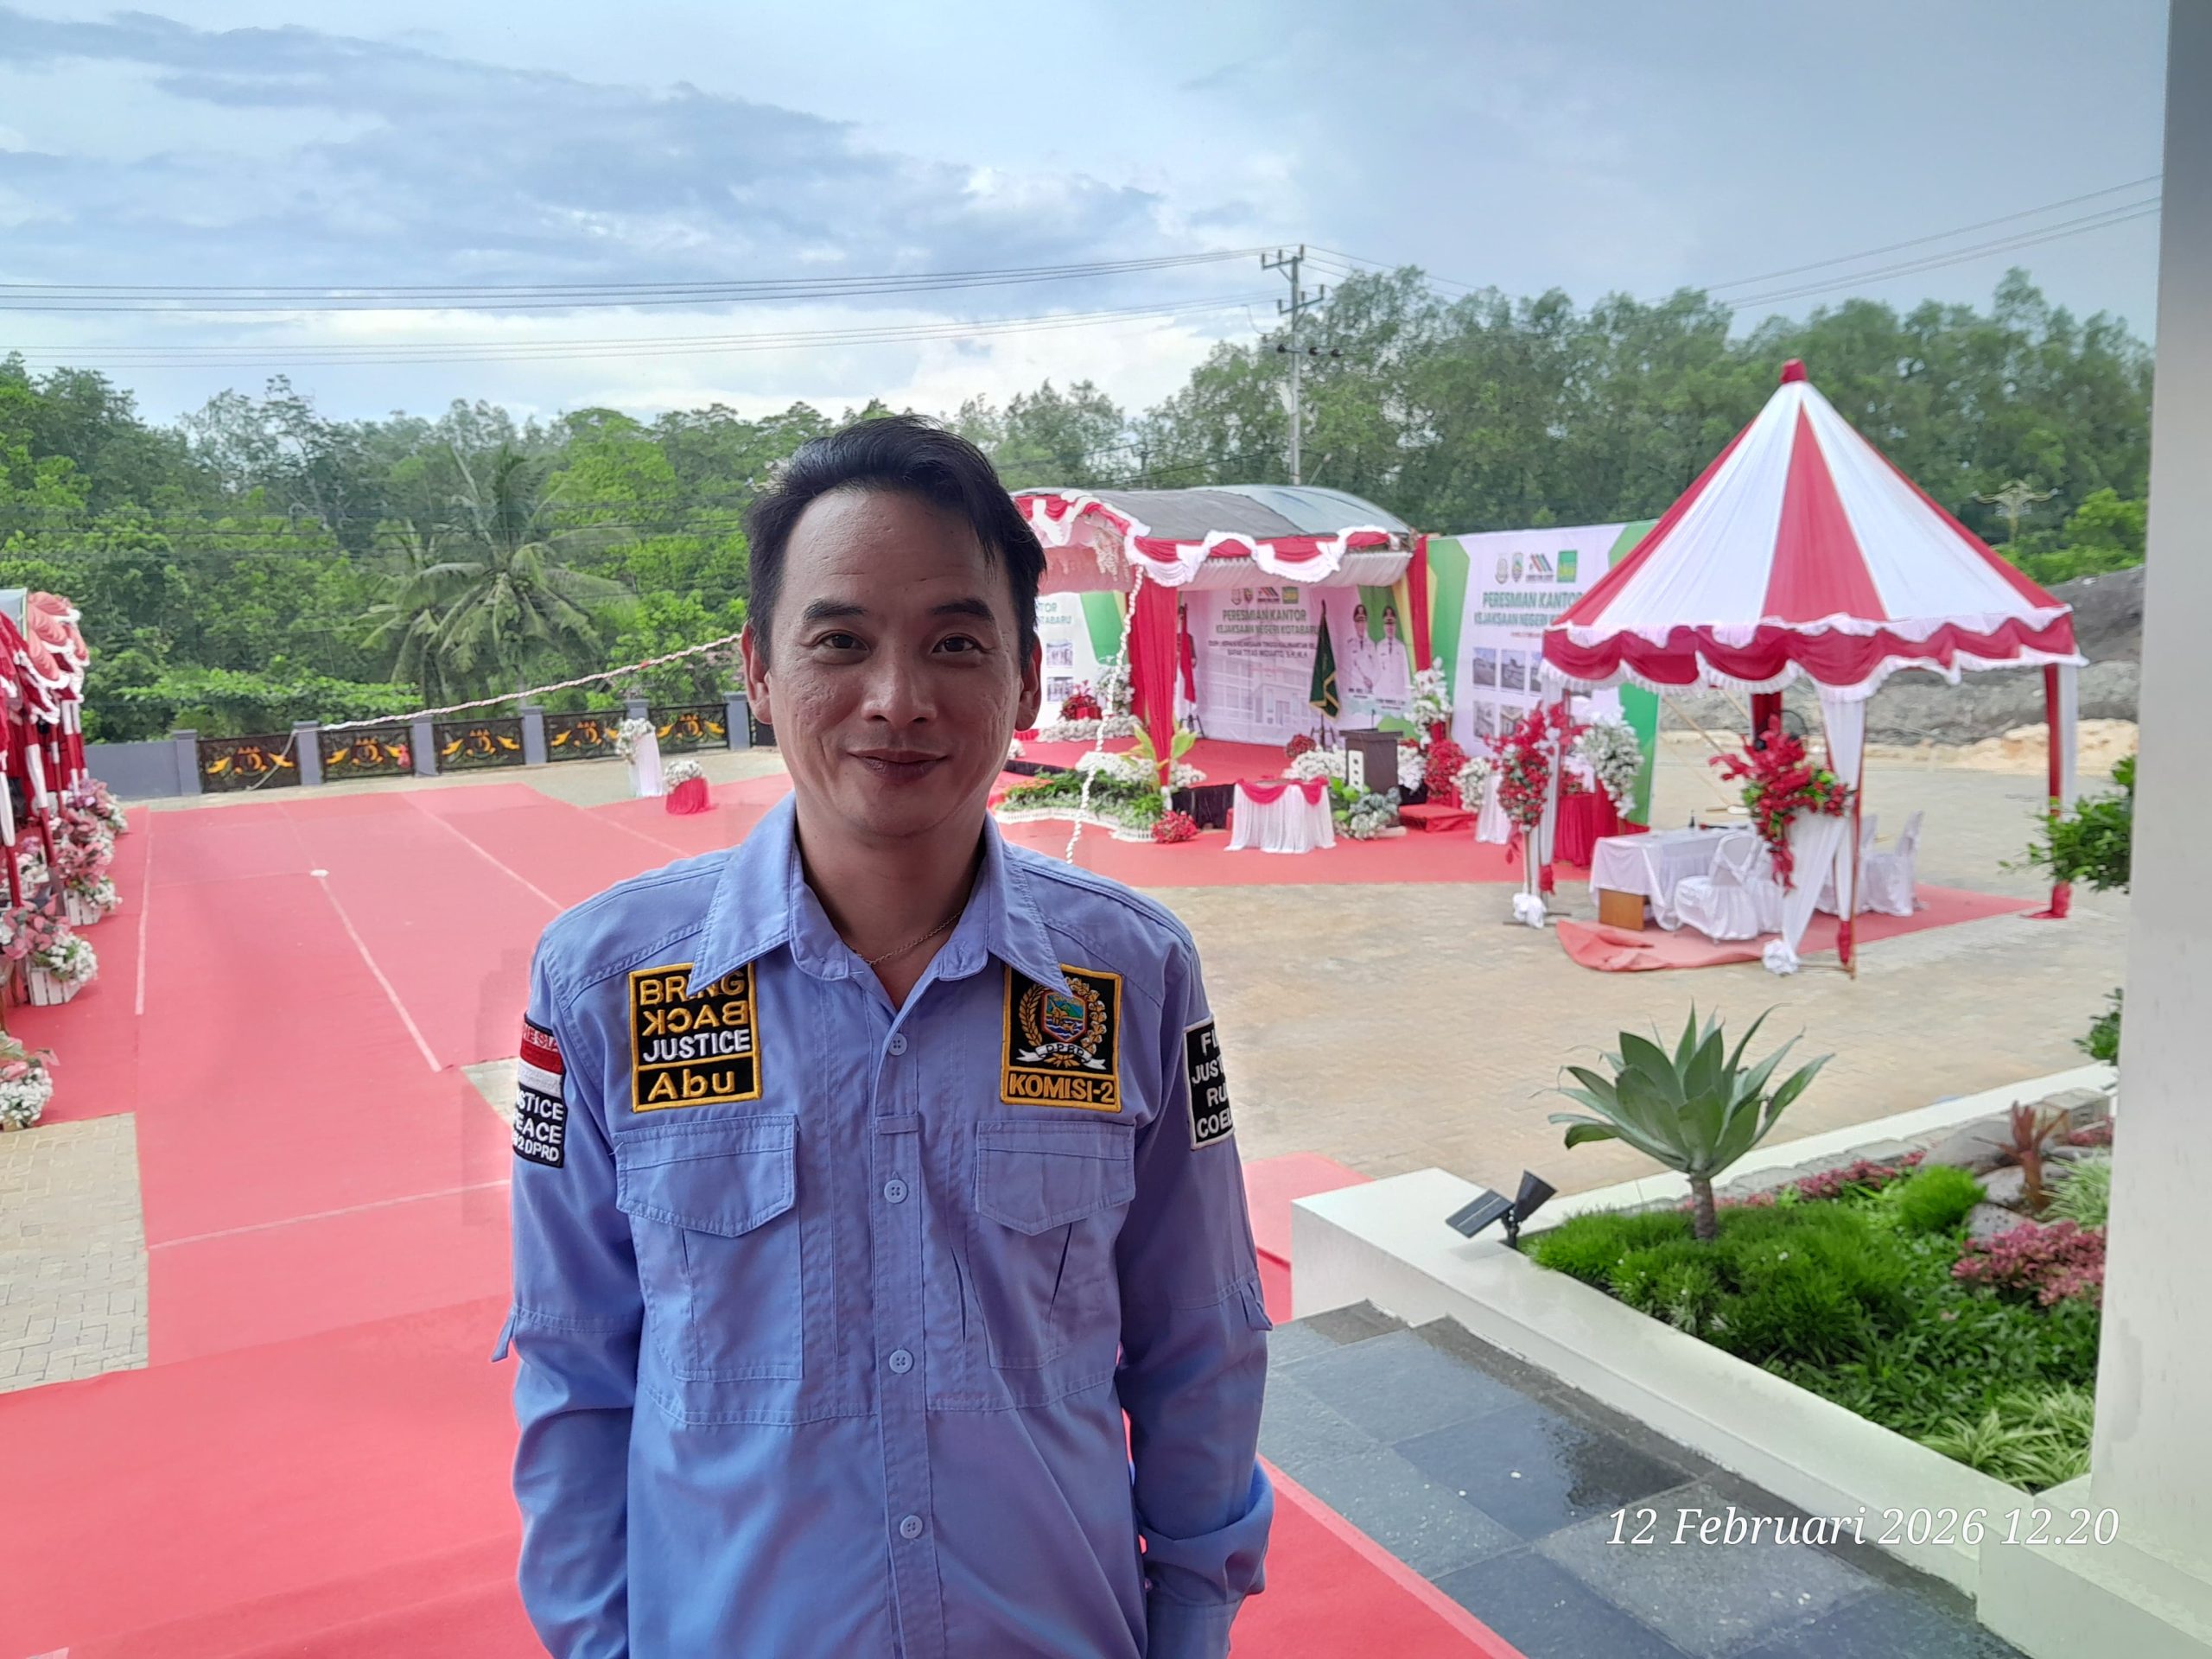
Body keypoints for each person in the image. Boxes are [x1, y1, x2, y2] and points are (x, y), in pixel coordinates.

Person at [498, 415, 1273, 1659]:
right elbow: (574, 1362)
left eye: (957, 643)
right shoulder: (604, 986)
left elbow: (1202, 1338)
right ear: (760, 670)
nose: (898, 700)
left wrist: (1190, 1627)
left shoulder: (1133, 976)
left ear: (1028, 677)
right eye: (840, 641)